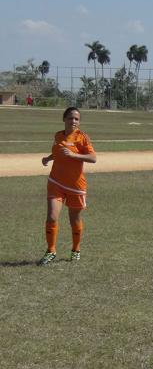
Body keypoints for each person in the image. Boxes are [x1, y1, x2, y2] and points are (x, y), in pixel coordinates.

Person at [38, 107, 97, 265]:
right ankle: (51, 251)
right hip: (56, 182)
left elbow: (93, 158)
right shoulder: (58, 135)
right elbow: (58, 151)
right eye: (71, 118)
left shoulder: (82, 137)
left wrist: (74, 155)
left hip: (76, 186)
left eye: (77, 119)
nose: (74, 121)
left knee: (74, 219)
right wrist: (48, 158)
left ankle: (76, 249)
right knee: (51, 216)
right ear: (64, 119)